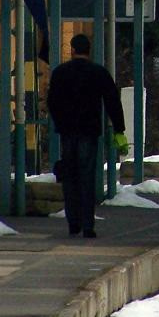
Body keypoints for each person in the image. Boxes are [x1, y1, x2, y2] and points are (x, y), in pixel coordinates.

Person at [47, 33, 128, 238]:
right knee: (87, 177)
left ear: (73, 50)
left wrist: (60, 122)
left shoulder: (60, 73)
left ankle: (73, 222)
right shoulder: (98, 73)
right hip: (89, 132)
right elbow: (112, 101)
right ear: (88, 51)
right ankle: (88, 225)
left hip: (67, 131)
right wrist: (119, 128)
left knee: (70, 176)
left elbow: (52, 102)